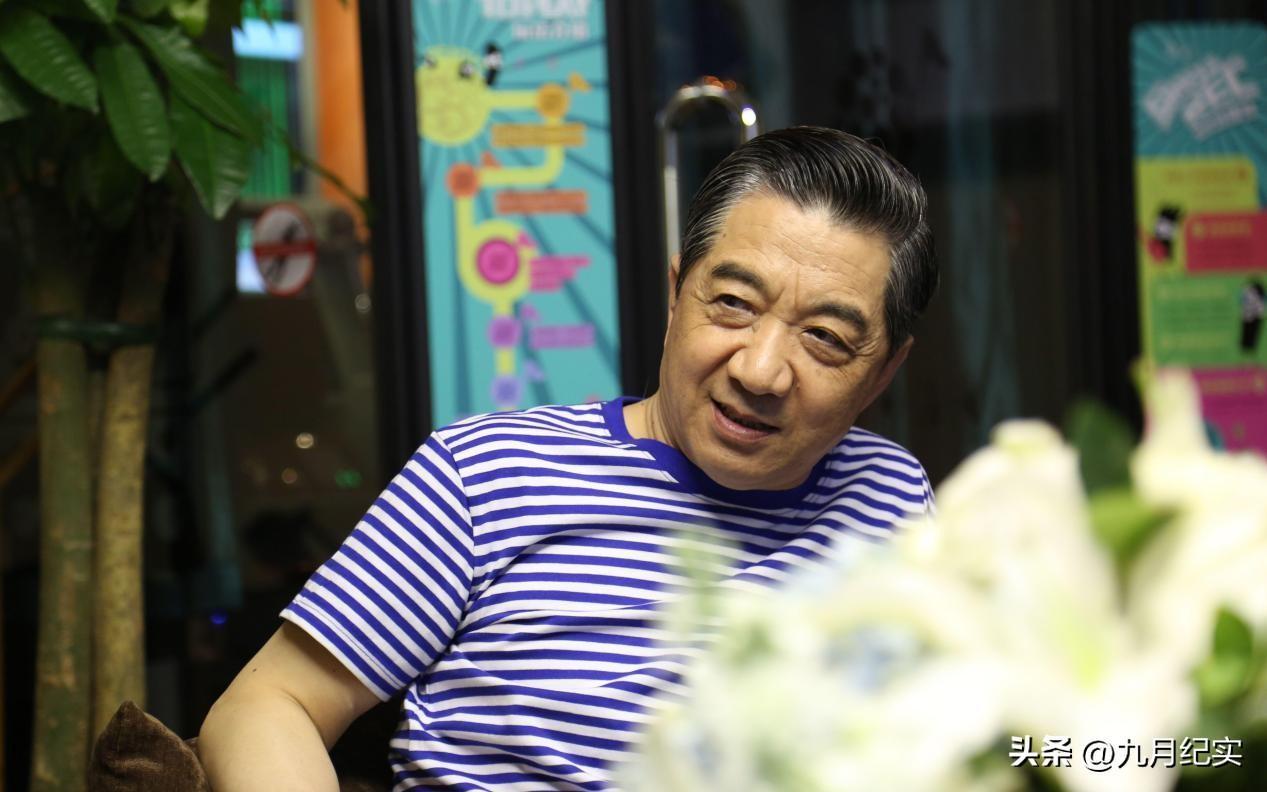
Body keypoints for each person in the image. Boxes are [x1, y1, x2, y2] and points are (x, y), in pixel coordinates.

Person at [197, 126, 939, 791]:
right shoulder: (485, 473)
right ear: (677, 294)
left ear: (882, 373)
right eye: (734, 304)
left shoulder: (887, 499)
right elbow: (270, 703)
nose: (760, 370)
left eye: (825, 339)